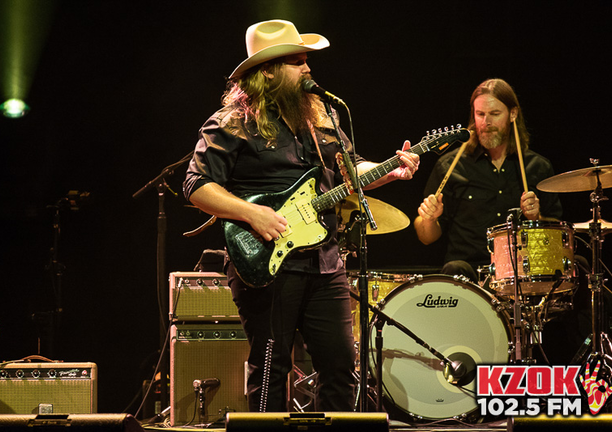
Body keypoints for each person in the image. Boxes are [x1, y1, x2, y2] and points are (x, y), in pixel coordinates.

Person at [183, 20, 419, 412]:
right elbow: (196, 184)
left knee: (341, 367)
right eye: (297, 61)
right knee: (272, 370)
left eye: (306, 59)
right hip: (269, 261)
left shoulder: (322, 115)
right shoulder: (232, 121)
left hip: (325, 262)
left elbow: (349, 169)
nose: (308, 68)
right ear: (268, 71)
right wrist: (251, 214)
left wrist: (389, 169)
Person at [414, 78, 562, 282]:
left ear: (513, 114)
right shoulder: (450, 165)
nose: (486, 123)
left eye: (494, 114)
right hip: (468, 274)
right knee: (454, 269)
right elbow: (426, 237)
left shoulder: (537, 167)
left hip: (521, 273)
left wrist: (535, 218)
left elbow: (556, 235)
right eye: (480, 114)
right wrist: (429, 219)